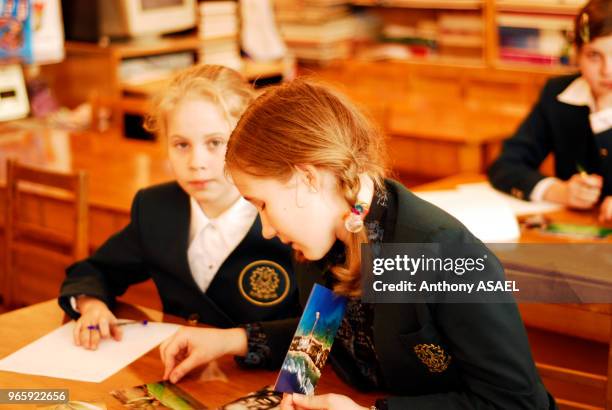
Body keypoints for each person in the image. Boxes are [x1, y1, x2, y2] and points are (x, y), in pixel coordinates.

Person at [159, 79, 555, 409]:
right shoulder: (318, 236)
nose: (265, 228)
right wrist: (233, 340)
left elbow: (517, 403)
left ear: (308, 178)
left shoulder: (442, 252)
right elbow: (326, 332)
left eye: (263, 204)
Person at [58, 65, 298, 350]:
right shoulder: (156, 209)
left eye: (215, 142)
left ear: (250, 140)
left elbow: (329, 323)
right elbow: (94, 271)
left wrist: (237, 342)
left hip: (272, 381)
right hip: (182, 375)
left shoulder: (289, 214)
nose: (196, 162)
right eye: (181, 145)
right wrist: (92, 305)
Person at [488, 0, 612, 222]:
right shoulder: (557, 94)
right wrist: (558, 191)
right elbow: (506, 165)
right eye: (594, 56)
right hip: (574, 233)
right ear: (577, 56)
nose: (607, 70)